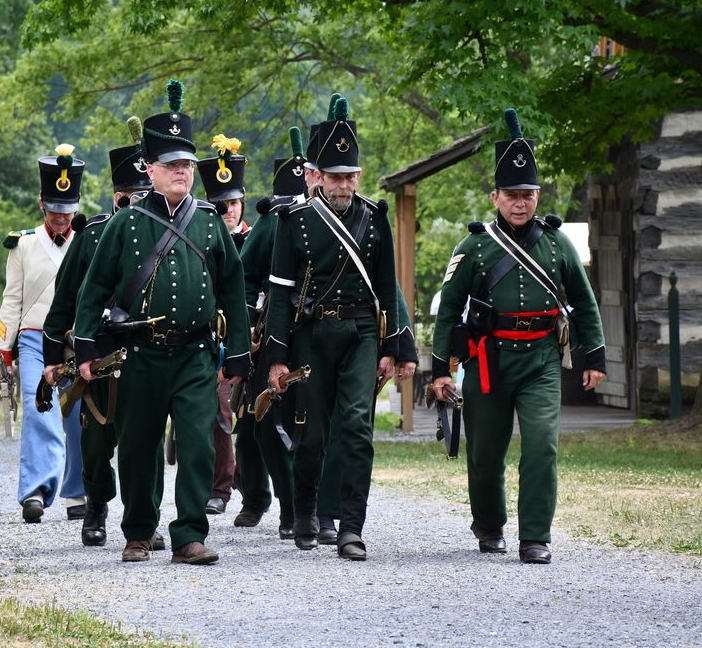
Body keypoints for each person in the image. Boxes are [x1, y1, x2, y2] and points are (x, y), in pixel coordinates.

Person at [73, 79, 251, 565]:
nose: (181, 173)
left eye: (187, 165)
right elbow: (93, 289)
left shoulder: (212, 222)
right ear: (149, 170)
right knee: (136, 448)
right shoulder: (124, 224)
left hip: (195, 355)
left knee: (197, 447)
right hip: (141, 355)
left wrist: (237, 352)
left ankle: (190, 535)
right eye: (171, 165)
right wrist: (86, 348)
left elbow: (234, 291)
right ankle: (138, 532)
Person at [431, 108, 606, 564]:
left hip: (542, 360)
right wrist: (439, 371)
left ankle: (535, 536)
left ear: (537, 194)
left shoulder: (556, 242)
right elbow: (449, 310)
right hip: (487, 362)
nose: (521, 203)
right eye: (511, 194)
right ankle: (489, 525)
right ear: (495, 196)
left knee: (542, 444)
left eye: (527, 194)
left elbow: (585, 303)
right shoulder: (473, 246)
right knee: (485, 453)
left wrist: (595, 359)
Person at [266, 96, 399, 561]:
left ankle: (351, 527)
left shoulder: (375, 219)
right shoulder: (293, 221)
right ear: (317, 176)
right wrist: (277, 356)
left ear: (359, 176)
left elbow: (388, 288)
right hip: (310, 336)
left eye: (351, 176)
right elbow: (280, 291)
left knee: (357, 428)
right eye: (335, 176)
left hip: (362, 333)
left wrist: (394, 349)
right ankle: (304, 509)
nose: (344, 184)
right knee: (313, 434)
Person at [43, 117, 165, 549]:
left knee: (148, 440)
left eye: (147, 194)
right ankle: (96, 505)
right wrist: (53, 356)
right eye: (134, 196)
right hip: (99, 354)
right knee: (97, 443)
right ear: (118, 197)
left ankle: (146, 520)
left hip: (150, 352)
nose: (142, 202)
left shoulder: (169, 229)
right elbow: (65, 299)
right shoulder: (92, 233)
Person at [0, 143, 86, 523]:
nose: (61, 219)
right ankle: (35, 489)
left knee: (80, 413)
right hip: (34, 339)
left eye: (67, 212)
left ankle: (77, 492)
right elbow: (12, 299)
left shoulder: (87, 241)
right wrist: (5, 347)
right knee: (41, 409)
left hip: (74, 339)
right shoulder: (22, 244)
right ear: (42, 205)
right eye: (54, 211)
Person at [234, 126, 309, 538]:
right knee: (263, 419)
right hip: (273, 331)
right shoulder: (271, 222)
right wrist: (247, 325)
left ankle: (312, 506)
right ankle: (287, 504)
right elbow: (244, 276)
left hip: (320, 332)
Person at [195, 134, 250, 518]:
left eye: (231, 203)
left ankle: (255, 487)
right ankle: (220, 487)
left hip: (252, 339)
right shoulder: (196, 237)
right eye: (219, 204)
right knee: (216, 412)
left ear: (241, 202)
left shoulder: (257, 238)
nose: (226, 210)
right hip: (210, 340)